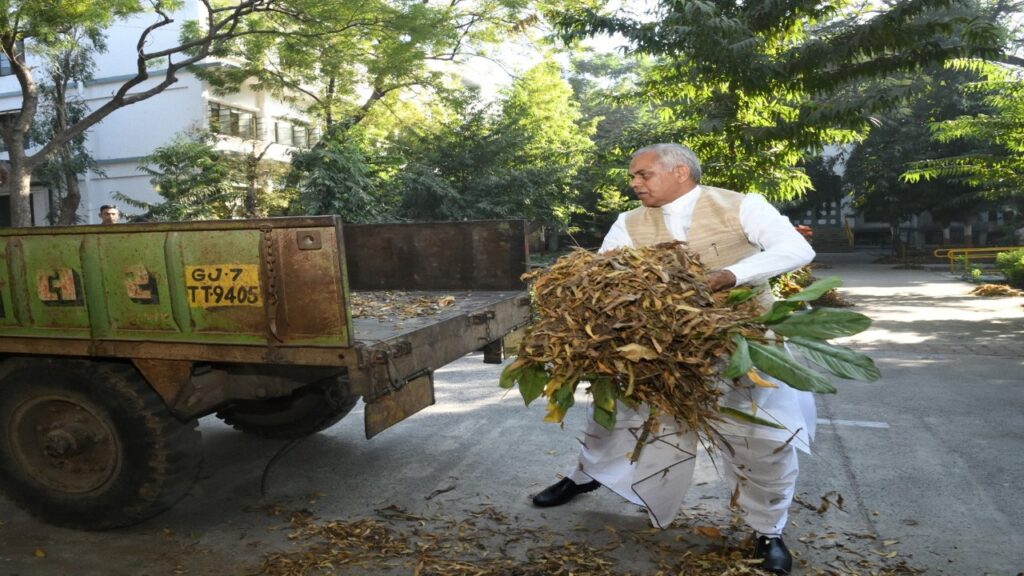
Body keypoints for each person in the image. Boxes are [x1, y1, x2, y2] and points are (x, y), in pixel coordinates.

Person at [530, 143, 816, 575]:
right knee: (614, 414)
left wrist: (729, 275)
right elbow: (606, 273)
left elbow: (796, 249)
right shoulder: (628, 223)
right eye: (633, 177)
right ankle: (584, 475)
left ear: (680, 171)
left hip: (740, 341)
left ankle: (768, 530)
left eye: (642, 175)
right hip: (659, 348)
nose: (634, 184)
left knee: (763, 436)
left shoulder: (741, 206)